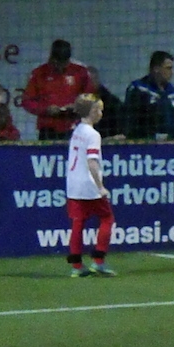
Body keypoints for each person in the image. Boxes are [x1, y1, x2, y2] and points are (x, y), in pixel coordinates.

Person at [65, 93, 117, 277]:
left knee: (78, 223)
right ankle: (98, 261)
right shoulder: (93, 134)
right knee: (107, 218)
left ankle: (76, 266)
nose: (101, 113)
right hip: (89, 184)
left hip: (73, 183)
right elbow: (92, 161)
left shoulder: (77, 130)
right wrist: (100, 186)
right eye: (100, 110)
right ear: (93, 111)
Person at [22, 39, 94, 140]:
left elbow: (91, 97)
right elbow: (27, 101)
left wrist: (77, 106)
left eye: (64, 63)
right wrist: (45, 109)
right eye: (57, 63)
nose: (60, 67)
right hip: (48, 128)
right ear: (52, 58)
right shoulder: (39, 73)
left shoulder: (80, 72)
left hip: (74, 126)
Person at [124, 51, 174, 140]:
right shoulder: (138, 88)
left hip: (172, 143)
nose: (172, 72)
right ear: (156, 69)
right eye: (168, 68)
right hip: (145, 142)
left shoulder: (173, 92)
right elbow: (130, 119)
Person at [87, 66, 126, 141]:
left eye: (91, 81)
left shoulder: (112, 104)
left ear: (97, 80)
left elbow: (120, 133)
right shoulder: (75, 102)